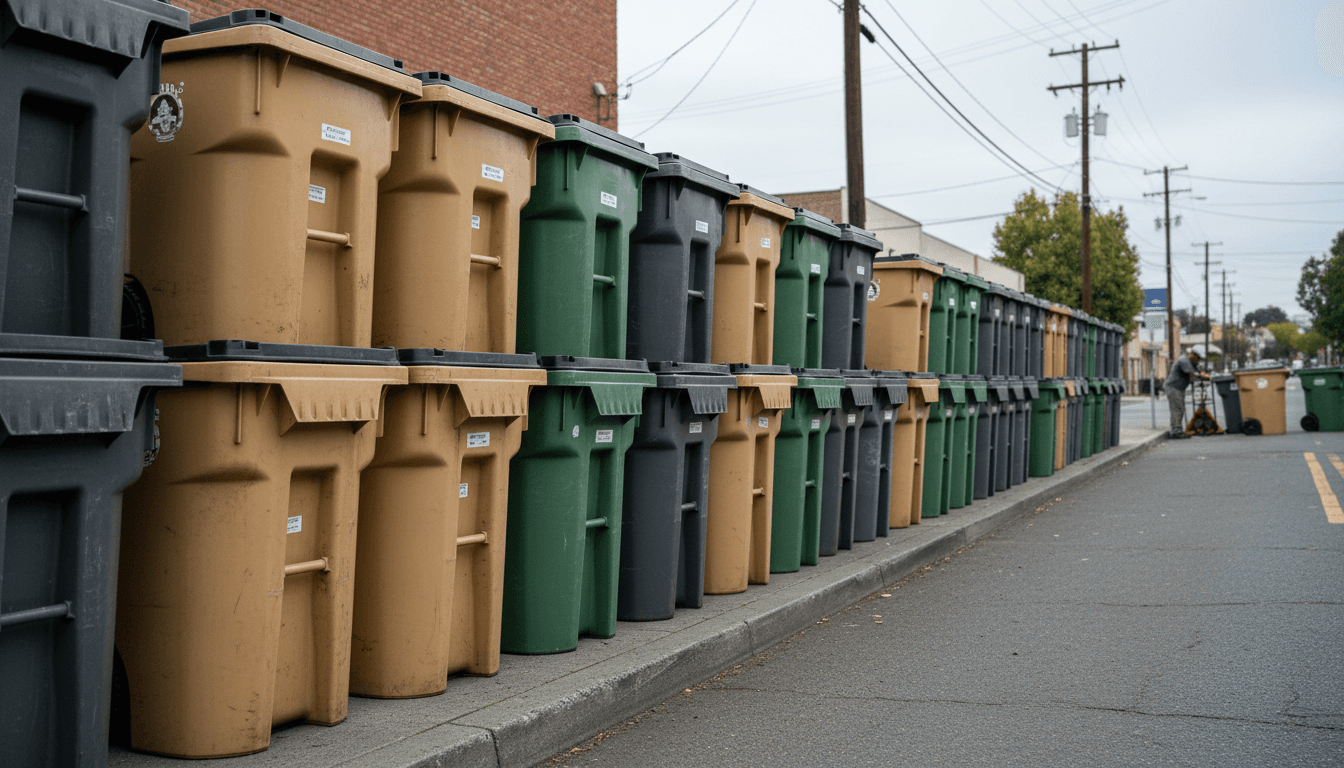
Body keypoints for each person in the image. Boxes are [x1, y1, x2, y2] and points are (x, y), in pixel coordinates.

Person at [1164, 347, 1210, 438]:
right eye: (1198, 358)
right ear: (1193, 355)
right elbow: (1192, 374)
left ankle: (1178, 429)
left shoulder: (1190, 362)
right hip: (1174, 387)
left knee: (1180, 409)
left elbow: (1197, 371)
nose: (1198, 360)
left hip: (1178, 388)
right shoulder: (1184, 360)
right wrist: (1204, 377)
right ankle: (1175, 431)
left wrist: (1203, 374)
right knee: (1177, 409)